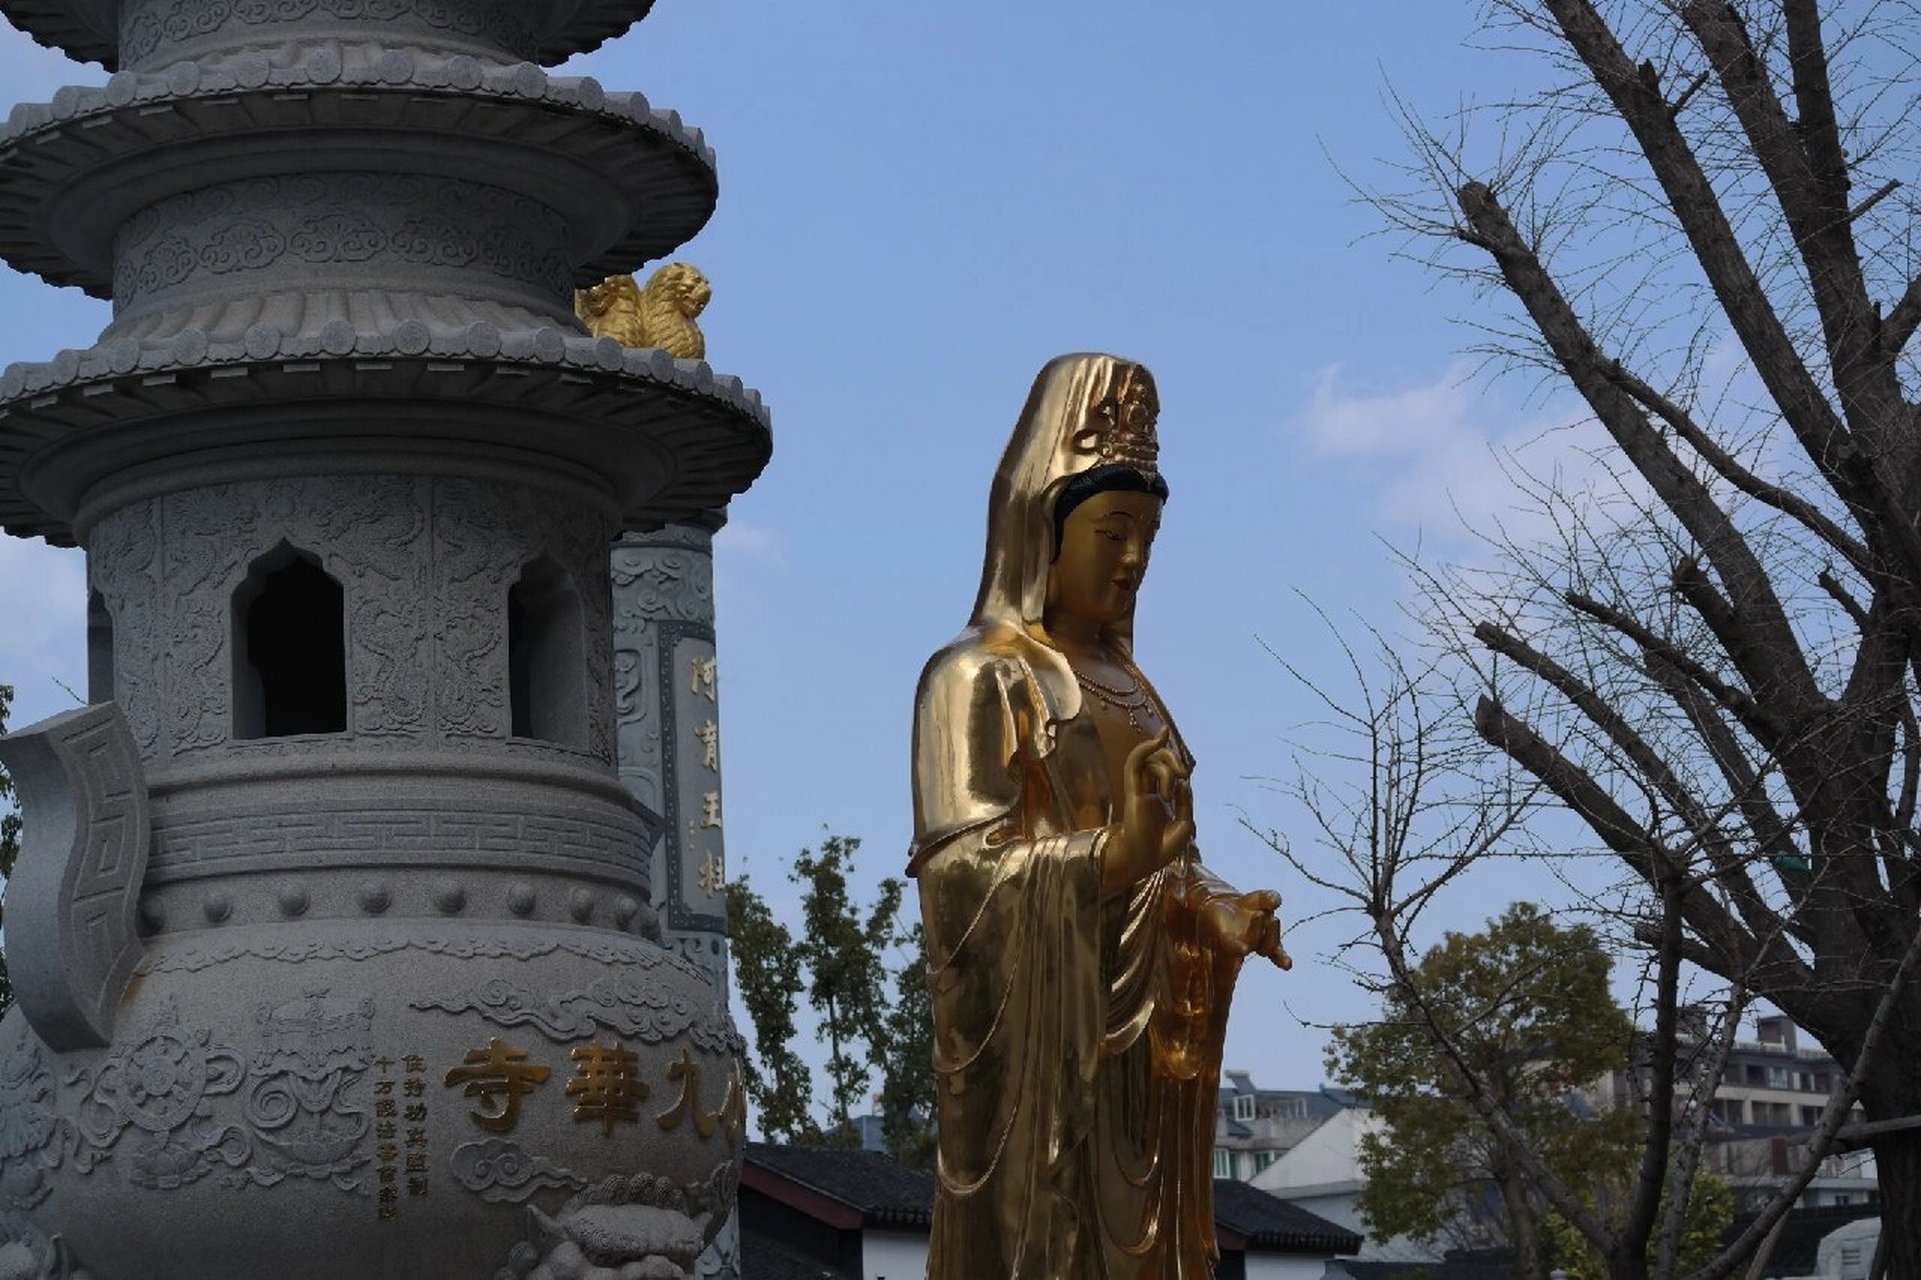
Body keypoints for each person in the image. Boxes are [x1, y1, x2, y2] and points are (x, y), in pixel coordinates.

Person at [909, 352, 1291, 1279]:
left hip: (1143, 1060)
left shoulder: (1136, 689)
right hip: (1044, 1070)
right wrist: (1111, 856)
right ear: (1044, 527)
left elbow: (1169, 854)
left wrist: (1212, 909)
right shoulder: (977, 674)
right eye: (1113, 531)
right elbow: (961, 884)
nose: (1132, 561)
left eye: (1148, 538)